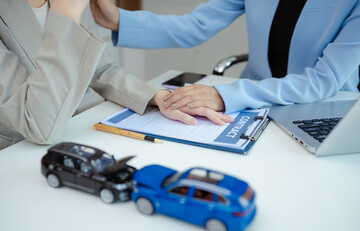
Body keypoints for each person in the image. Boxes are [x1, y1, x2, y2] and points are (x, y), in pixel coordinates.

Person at [0, 0, 233, 150]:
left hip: (84, 131)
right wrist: (66, 15)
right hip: (22, 152)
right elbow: (38, 124)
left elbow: (102, 69)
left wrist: (160, 97)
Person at [90, 0, 360, 115]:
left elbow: (323, 82)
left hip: (321, 109)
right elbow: (197, 25)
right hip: (253, 107)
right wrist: (118, 20)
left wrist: (224, 95)